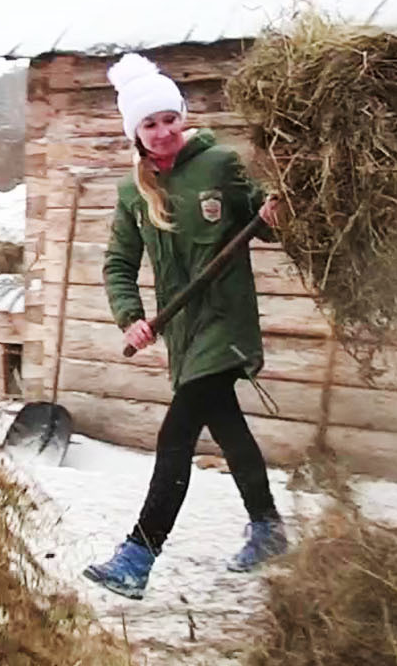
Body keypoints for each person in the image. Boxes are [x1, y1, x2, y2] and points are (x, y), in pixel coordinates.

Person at [81, 53, 291, 601]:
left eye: (168, 118)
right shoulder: (133, 194)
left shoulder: (220, 163)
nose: (163, 131)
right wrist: (130, 319)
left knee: (176, 435)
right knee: (226, 426)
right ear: (136, 133)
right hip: (184, 333)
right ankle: (268, 527)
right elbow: (118, 265)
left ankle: (137, 554)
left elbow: (263, 222)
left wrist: (272, 216)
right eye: (149, 124)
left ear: (182, 115)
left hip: (226, 322)